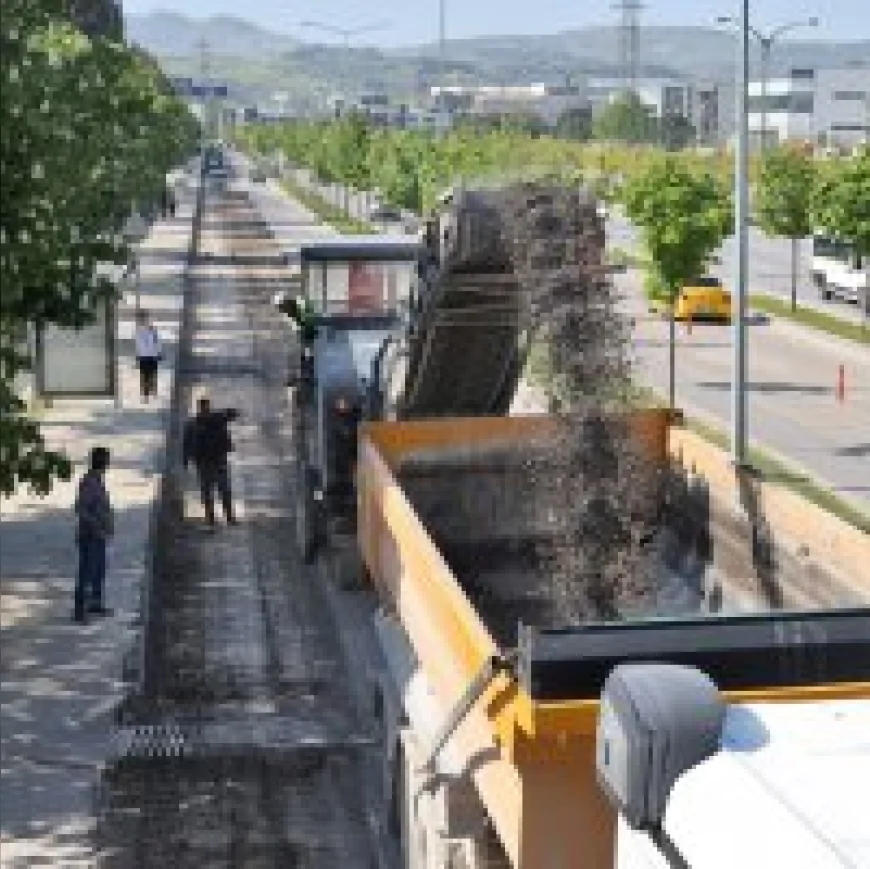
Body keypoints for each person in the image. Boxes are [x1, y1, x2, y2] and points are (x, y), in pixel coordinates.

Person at [183, 396, 241, 529]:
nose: (205, 410)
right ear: (199, 409)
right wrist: (185, 460)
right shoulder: (194, 424)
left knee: (223, 490)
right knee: (208, 492)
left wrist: (231, 412)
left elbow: (231, 414)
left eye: (206, 408)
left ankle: (229, 517)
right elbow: (186, 443)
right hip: (204, 463)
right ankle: (212, 518)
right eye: (203, 408)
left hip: (218, 461)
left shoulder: (216, 419)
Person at [73, 447, 114, 623]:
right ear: (101, 462)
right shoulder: (90, 482)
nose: (108, 464)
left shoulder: (97, 480)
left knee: (98, 570)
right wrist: (97, 525)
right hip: (90, 535)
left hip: (99, 534)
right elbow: (81, 509)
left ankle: (95, 603)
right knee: (87, 572)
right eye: (106, 460)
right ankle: (80, 610)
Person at [134, 310, 162, 401]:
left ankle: (152, 391)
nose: (142, 321)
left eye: (143, 318)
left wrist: (158, 352)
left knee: (152, 374)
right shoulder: (139, 331)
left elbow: (157, 341)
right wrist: (138, 354)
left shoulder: (152, 330)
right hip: (144, 356)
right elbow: (138, 344)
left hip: (151, 355)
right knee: (145, 375)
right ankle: (146, 394)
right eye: (140, 319)